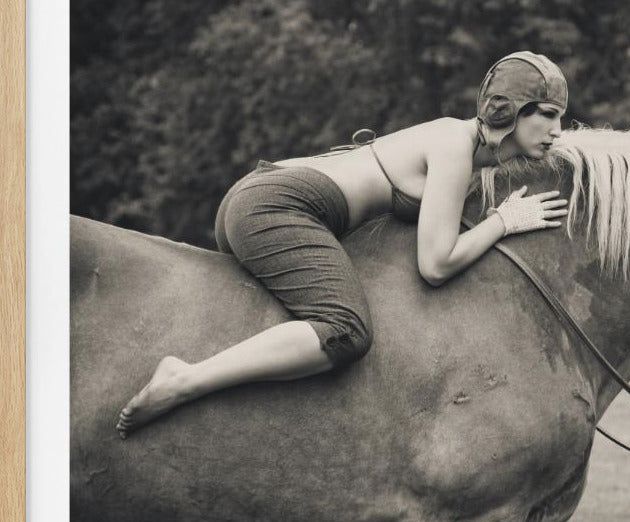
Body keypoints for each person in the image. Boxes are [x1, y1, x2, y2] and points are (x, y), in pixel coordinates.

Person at [115, 51, 570, 438]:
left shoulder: (460, 146)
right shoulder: (454, 144)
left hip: (262, 192)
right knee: (345, 330)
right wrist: (504, 222)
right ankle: (186, 378)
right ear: (507, 110)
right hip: (278, 204)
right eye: (546, 114)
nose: (556, 130)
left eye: (560, 118)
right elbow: (436, 264)